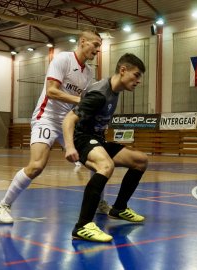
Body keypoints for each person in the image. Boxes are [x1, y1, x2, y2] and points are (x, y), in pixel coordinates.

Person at [0, 29, 111, 224]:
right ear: (83, 42)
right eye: (96, 45)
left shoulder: (88, 74)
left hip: (68, 123)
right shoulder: (63, 59)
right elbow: (51, 91)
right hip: (46, 118)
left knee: (97, 161)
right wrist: (81, 100)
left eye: (100, 46)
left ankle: (99, 201)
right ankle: (3, 205)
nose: (98, 50)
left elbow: (80, 105)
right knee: (37, 166)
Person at [63, 53, 147, 242]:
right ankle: (83, 225)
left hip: (97, 139)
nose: (138, 81)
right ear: (123, 70)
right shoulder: (100, 93)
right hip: (82, 139)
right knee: (105, 166)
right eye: (136, 75)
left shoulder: (115, 91)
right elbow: (70, 118)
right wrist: (69, 146)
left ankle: (119, 208)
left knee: (140, 161)